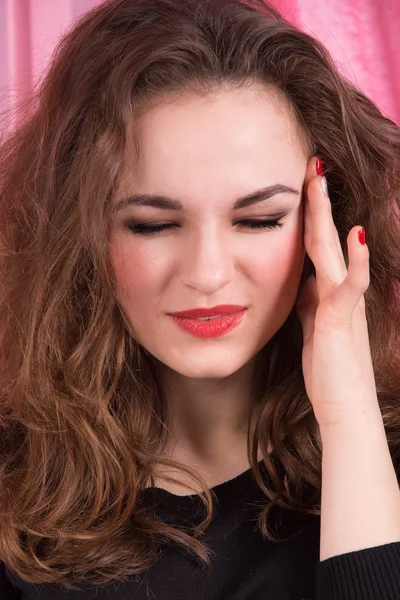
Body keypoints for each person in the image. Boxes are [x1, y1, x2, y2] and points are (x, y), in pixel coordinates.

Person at [0, 0, 400, 598]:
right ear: (75, 235)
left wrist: (349, 420)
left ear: (327, 219)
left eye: (260, 219)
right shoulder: (14, 477)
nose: (208, 274)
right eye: (151, 225)